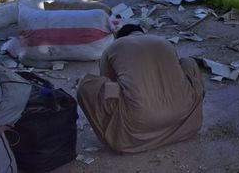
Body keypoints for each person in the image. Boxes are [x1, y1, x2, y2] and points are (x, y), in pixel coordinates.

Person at [77, 25, 205, 154]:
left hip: (139, 120)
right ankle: (178, 128)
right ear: (142, 33)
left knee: (88, 84)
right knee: (189, 62)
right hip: (182, 113)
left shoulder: (113, 47)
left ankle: (119, 135)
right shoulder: (165, 42)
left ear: (120, 37)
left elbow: (107, 81)